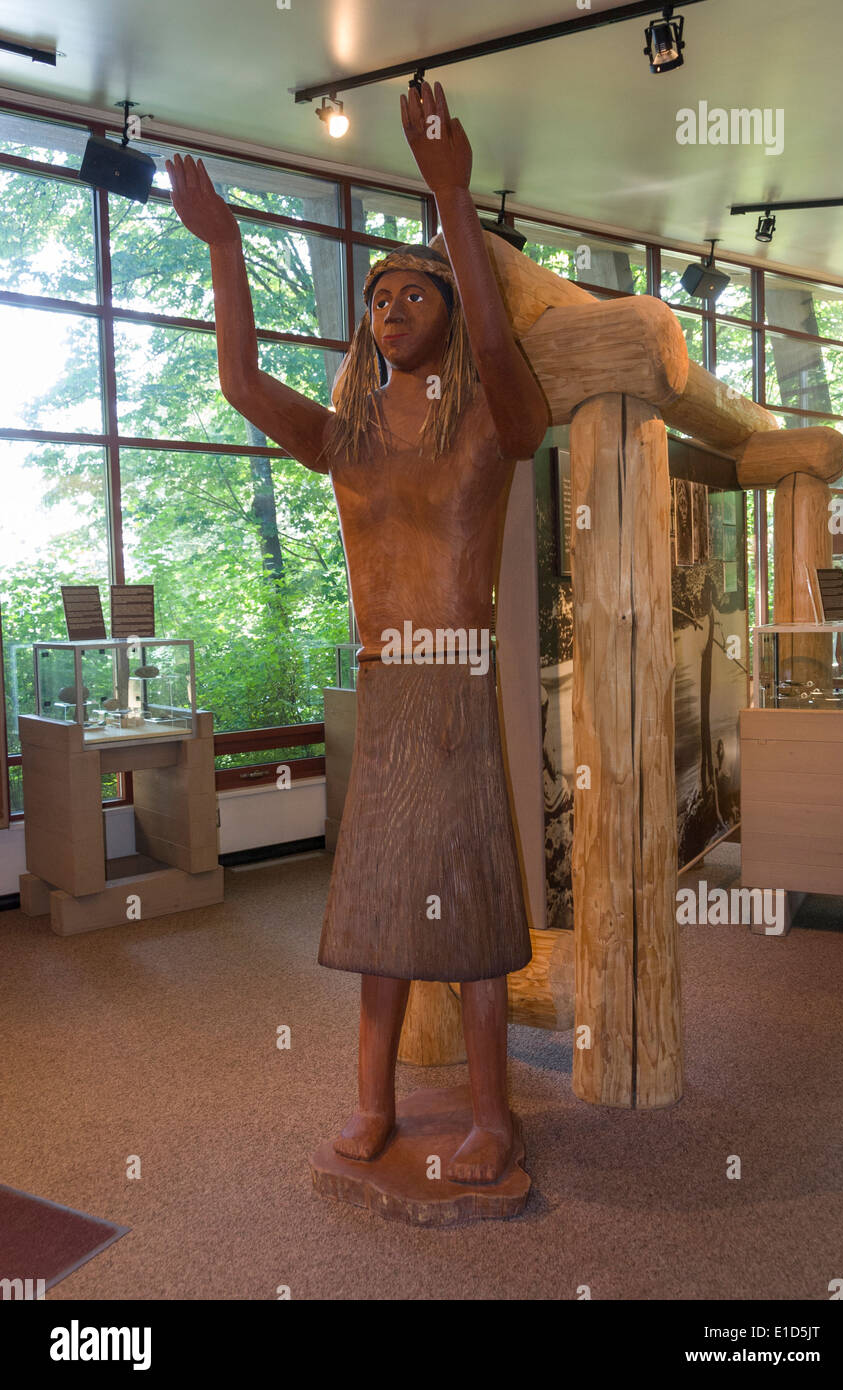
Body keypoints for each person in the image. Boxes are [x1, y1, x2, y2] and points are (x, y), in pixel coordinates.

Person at [166, 81, 549, 1183]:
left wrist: (451, 196)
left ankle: (494, 1114)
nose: (389, 306)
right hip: (386, 694)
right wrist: (226, 247)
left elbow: (495, 336)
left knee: (471, 911)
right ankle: (371, 1102)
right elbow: (240, 381)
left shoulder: (491, 424)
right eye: (377, 297)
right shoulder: (346, 444)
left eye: (411, 293)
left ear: (446, 316)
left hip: (455, 689)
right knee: (385, 908)